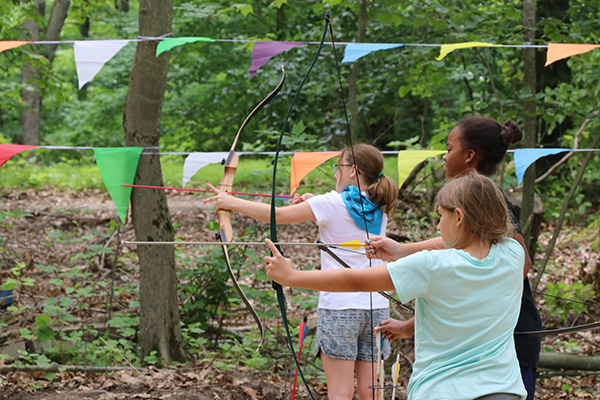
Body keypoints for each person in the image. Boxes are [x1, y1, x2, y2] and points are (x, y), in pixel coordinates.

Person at [264, 172, 528, 400]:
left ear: (458, 217)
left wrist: (291, 276)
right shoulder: (513, 253)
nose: (437, 226)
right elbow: (463, 243)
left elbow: (355, 280)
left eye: (440, 217)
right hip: (503, 390)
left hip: (443, 391)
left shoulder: (431, 266)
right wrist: (403, 252)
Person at [204, 144, 398, 400]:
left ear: (352, 170)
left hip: (340, 307)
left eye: (337, 168)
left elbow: (276, 216)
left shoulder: (329, 203)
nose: (334, 175)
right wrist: (313, 202)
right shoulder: (380, 205)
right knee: (371, 393)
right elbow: (342, 209)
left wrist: (231, 202)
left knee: (340, 393)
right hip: (377, 308)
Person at [369, 117, 542, 400]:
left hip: (505, 351)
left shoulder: (486, 197)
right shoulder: (469, 200)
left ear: (469, 156)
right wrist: (403, 251)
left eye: (449, 149)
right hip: (481, 362)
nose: (444, 157)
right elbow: (462, 271)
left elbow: (517, 261)